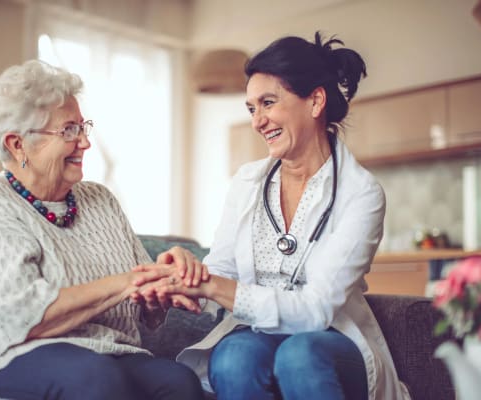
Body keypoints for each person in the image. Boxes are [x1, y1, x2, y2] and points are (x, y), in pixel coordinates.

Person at [134, 32, 411, 400]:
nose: (258, 121)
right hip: (258, 334)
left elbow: (316, 311)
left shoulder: (360, 193)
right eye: (251, 108)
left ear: (315, 101)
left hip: (332, 339)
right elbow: (221, 274)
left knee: (300, 354)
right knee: (232, 356)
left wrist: (213, 287)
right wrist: (182, 276)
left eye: (268, 103)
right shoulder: (248, 181)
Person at [0, 60, 206, 400]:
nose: (85, 142)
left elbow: (140, 300)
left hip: (100, 351)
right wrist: (127, 282)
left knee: (178, 383)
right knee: (92, 378)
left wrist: (163, 285)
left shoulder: (100, 200)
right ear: (17, 144)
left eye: (83, 127)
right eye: (69, 130)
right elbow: (21, 319)